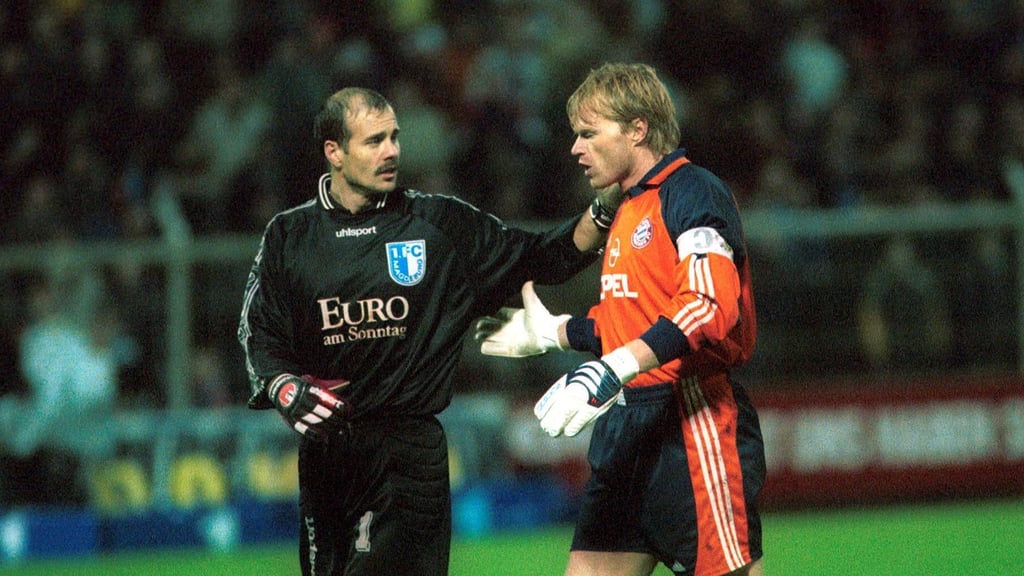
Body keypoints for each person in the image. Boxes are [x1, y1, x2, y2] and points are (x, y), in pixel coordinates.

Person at [237, 86, 612, 576]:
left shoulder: (438, 225)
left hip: (406, 459)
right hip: (325, 456)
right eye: (373, 141)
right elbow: (257, 330)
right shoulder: (289, 236)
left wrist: (604, 209)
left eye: (394, 137)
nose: (391, 150)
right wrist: (282, 385)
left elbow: (541, 255)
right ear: (334, 152)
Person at [477, 63, 766, 576]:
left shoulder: (692, 191)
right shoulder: (629, 207)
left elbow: (709, 306)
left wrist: (611, 369)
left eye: (589, 133)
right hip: (625, 428)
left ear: (637, 129)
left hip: (690, 423)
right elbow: (630, 320)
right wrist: (554, 332)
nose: (575, 148)